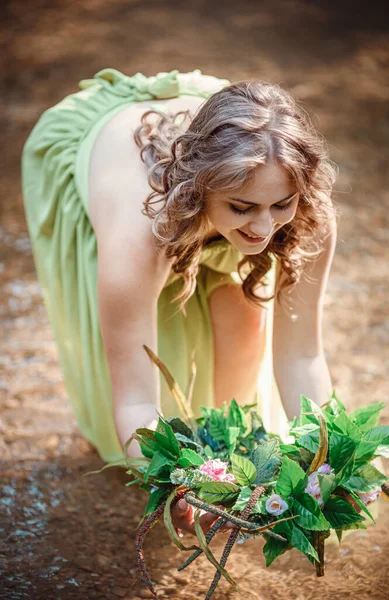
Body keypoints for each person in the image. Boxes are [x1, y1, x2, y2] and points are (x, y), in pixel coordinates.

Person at [21, 67, 337, 537]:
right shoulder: (138, 233)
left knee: (248, 325)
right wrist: (173, 484)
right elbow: (134, 398)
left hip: (230, 150)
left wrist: (328, 463)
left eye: (281, 204)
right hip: (118, 160)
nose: (264, 227)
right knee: (158, 350)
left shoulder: (303, 209)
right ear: (202, 188)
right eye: (243, 208)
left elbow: (302, 353)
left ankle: (235, 462)